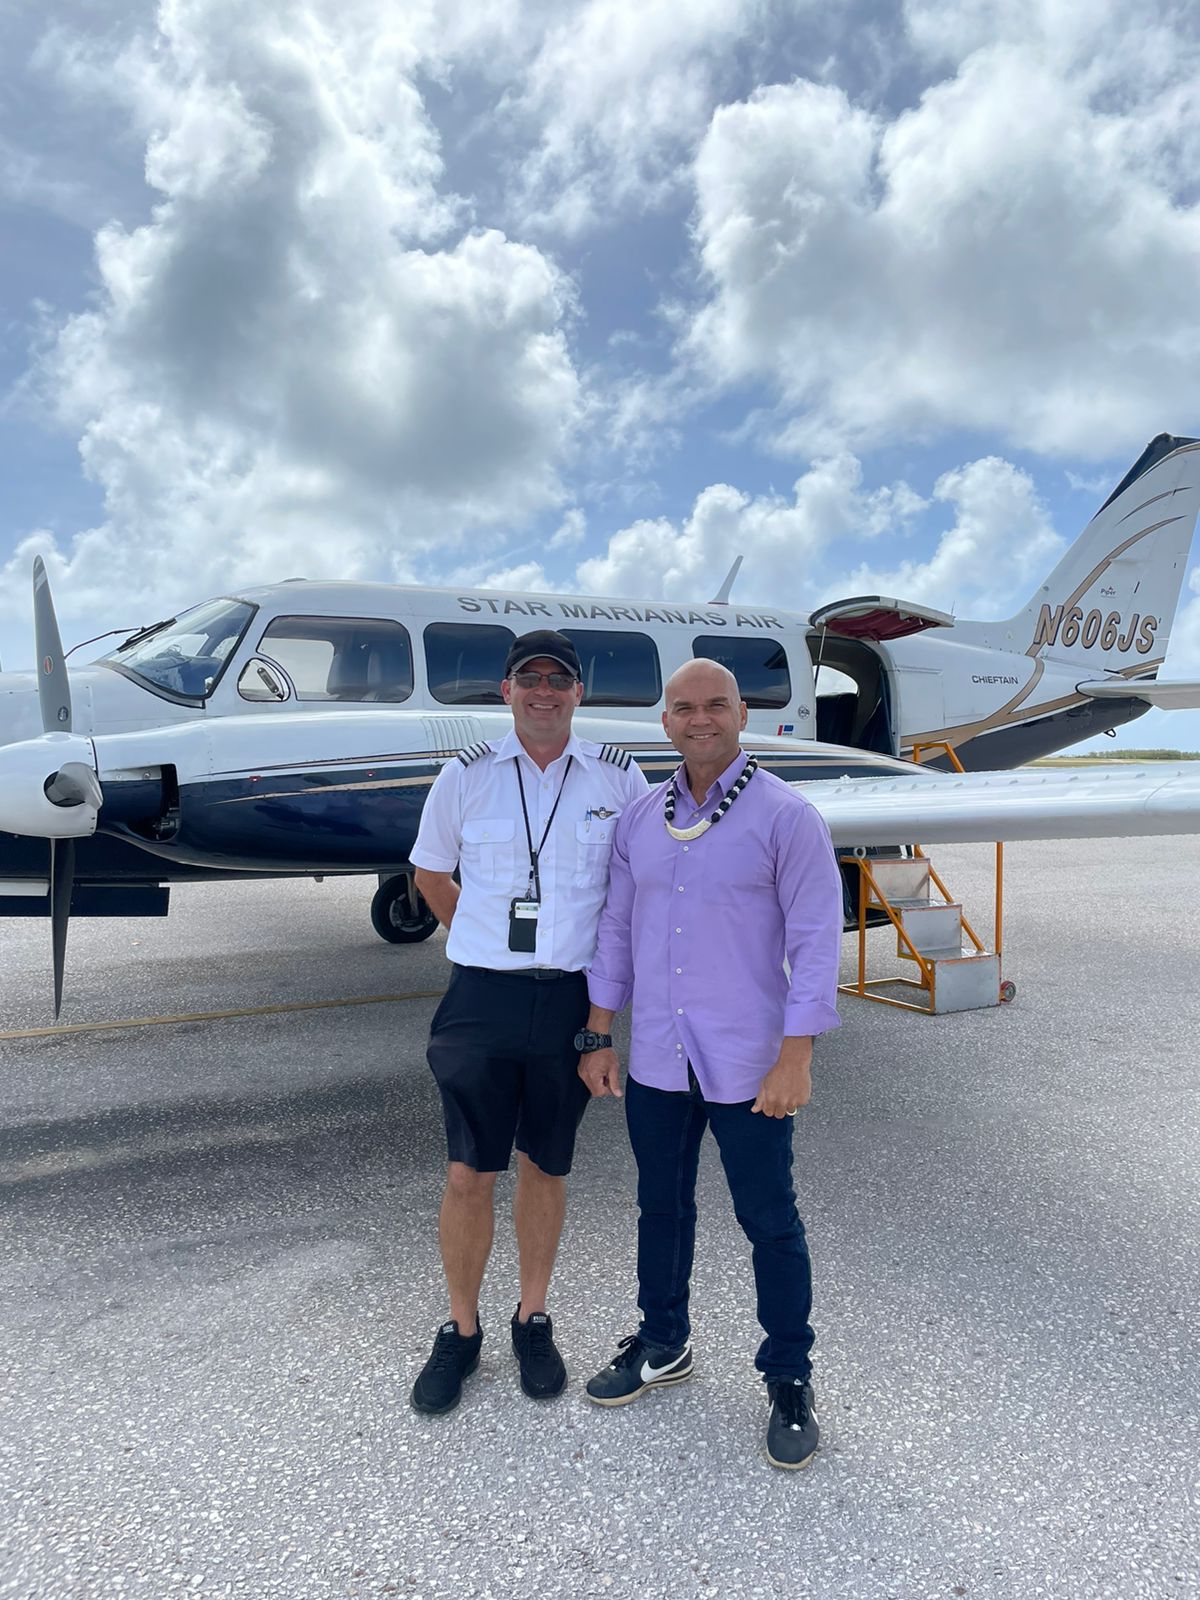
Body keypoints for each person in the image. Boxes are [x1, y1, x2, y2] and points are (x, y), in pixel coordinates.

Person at [577, 657, 843, 1469]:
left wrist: (796, 1055)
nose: (701, 719)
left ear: (741, 714)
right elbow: (616, 930)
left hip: (749, 1061)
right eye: (684, 708)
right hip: (658, 1055)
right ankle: (663, 1343)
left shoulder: (786, 817)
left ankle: (789, 1376)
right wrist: (597, 1033)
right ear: (666, 722)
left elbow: (815, 940)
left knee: (770, 1223)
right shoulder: (640, 820)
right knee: (661, 1210)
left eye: (716, 705)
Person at [408, 629, 649, 1416]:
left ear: (579, 694)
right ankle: (462, 1329)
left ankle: (531, 1317)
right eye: (528, 678)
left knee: (548, 1165)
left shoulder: (620, 778)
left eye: (559, 679)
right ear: (505, 691)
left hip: (574, 999)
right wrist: (475, 940)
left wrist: (602, 1024)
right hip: (482, 995)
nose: (544, 691)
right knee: (467, 1173)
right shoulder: (465, 776)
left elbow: (633, 896)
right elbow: (430, 874)